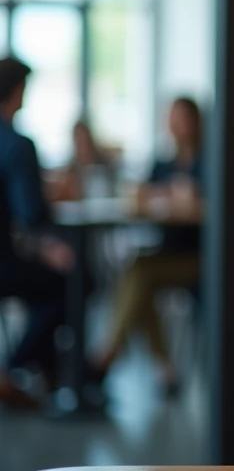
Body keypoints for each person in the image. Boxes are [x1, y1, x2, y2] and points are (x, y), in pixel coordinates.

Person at [89, 97, 204, 394]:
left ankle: (112, 352)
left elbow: (207, 206)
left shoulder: (209, 162)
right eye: (172, 118)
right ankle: (162, 367)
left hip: (201, 256)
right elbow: (142, 196)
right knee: (138, 277)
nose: (176, 125)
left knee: (139, 274)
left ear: (195, 122)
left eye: (182, 118)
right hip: (167, 252)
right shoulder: (163, 162)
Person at [0, 57, 72, 410]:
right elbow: (30, 214)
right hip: (4, 264)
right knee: (71, 283)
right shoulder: (17, 144)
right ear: (18, 92)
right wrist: (48, 247)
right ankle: (15, 369)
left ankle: (49, 374)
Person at [48, 120, 116, 203]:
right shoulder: (71, 169)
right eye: (78, 138)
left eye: (83, 138)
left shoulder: (104, 164)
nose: (81, 142)